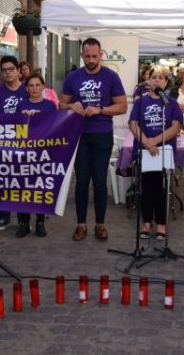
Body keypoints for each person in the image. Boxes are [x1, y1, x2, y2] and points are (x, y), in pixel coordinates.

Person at [60, 37, 128, 241]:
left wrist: (100, 109)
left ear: (101, 55)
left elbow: (123, 106)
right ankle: (81, 224)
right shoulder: (73, 77)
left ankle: (100, 224)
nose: (91, 60)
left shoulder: (111, 77)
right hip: (79, 135)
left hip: (102, 135)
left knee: (99, 181)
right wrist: (72, 106)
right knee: (81, 182)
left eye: (94, 56)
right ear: (82, 55)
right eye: (87, 56)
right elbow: (61, 105)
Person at [129, 65, 182, 239]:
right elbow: (133, 124)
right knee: (146, 188)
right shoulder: (140, 102)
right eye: (154, 77)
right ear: (147, 81)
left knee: (161, 188)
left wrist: (155, 142)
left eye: (161, 78)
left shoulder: (170, 103)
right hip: (145, 151)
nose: (157, 80)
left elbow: (176, 127)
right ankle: (146, 223)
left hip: (163, 152)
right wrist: (146, 142)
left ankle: (161, 225)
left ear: (166, 82)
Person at [0, 55, 30, 230]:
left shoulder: (28, 90)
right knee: (2, 180)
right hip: (2, 145)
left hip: (25, 143)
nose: (8, 73)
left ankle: (23, 218)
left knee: (22, 181)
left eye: (11, 69)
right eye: (4, 70)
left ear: (18, 71)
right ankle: (3, 216)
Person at [15, 72, 57, 238]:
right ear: (26, 88)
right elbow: (15, 129)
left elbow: (55, 126)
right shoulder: (21, 104)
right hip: (24, 151)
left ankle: (40, 221)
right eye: (31, 85)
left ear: (43, 87)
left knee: (40, 187)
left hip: (42, 152)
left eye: (37, 85)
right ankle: (24, 222)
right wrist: (23, 118)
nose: (34, 88)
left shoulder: (49, 105)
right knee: (23, 187)